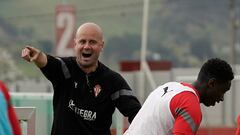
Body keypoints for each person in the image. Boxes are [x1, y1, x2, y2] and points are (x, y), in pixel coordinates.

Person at [21, 22, 141, 135]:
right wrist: (36, 56)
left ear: (101, 46)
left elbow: (138, 114)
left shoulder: (112, 80)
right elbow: (47, 61)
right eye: (82, 41)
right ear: (75, 44)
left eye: (92, 42)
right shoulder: (64, 69)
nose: (87, 46)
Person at [124, 58, 234, 135]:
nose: (222, 98)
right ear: (212, 84)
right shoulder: (190, 105)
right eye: (222, 91)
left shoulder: (169, 86)